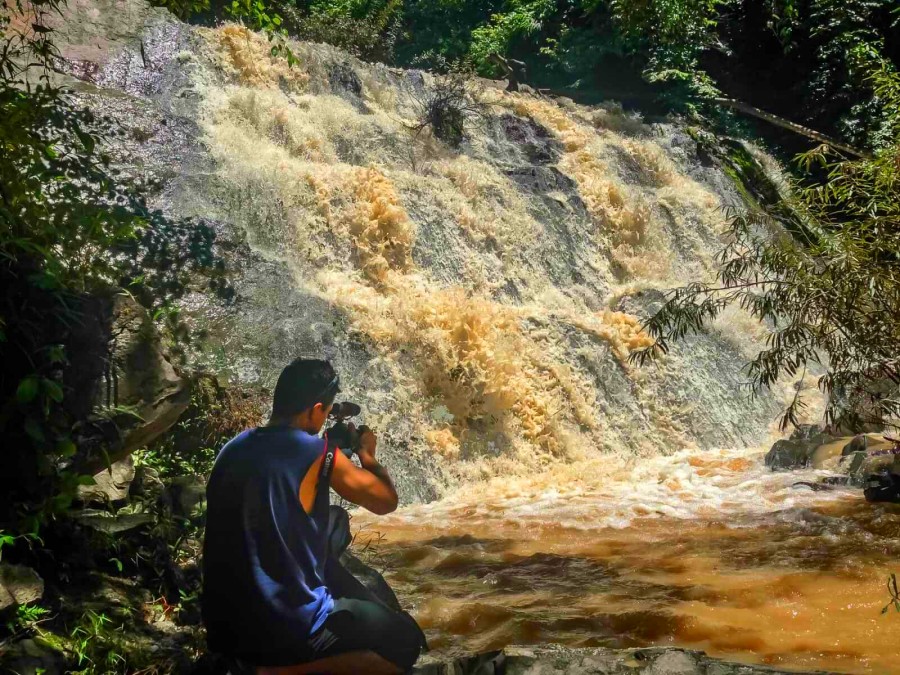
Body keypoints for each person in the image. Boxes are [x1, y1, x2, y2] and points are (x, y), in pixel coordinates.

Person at [202, 358, 426, 674]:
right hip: (285, 631)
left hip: (224, 630)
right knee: (405, 640)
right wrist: (367, 456)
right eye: (326, 411)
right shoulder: (318, 454)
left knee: (331, 530)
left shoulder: (233, 448)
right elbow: (385, 501)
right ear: (315, 409)